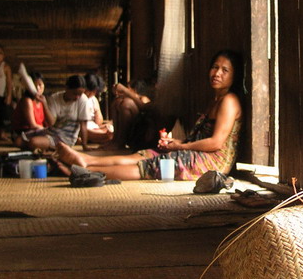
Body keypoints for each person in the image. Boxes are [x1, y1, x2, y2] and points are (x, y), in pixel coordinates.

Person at [55, 50, 244, 181]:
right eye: (214, 67)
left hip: (212, 163)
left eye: (225, 70)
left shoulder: (229, 101)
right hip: (198, 152)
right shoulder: (215, 99)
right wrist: (176, 144)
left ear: (234, 75)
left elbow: (216, 143)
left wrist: (182, 146)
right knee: (146, 154)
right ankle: (87, 160)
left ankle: (85, 170)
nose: (217, 73)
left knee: (153, 165)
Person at [20, 74, 93, 153]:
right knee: (18, 141)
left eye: (80, 94)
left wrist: (84, 145)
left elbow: (83, 125)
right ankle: (44, 148)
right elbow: (51, 123)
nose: (77, 97)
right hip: (51, 131)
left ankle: (45, 147)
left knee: (33, 142)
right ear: (67, 88)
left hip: (65, 138)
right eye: (75, 94)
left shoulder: (82, 100)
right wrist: (45, 104)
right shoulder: (55, 98)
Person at [101, 79, 157, 151]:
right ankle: (115, 140)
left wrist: (125, 91)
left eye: (128, 88)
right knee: (117, 102)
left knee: (126, 104)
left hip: (143, 130)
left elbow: (143, 107)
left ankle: (120, 142)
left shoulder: (144, 98)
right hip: (135, 128)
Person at [10, 71, 49, 147]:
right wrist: (49, 130)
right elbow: (32, 125)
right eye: (35, 85)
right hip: (23, 133)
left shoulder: (42, 101)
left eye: (40, 85)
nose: (38, 88)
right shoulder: (27, 101)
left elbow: (46, 122)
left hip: (38, 131)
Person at [83, 73, 114, 145]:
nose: (90, 94)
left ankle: (102, 137)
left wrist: (104, 125)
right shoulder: (78, 98)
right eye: (88, 90)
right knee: (83, 130)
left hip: (93, 127)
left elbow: (99, 122)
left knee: (110, 128)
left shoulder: (93, 100)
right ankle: (103, 137)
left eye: (93, 92)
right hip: (82, 128)